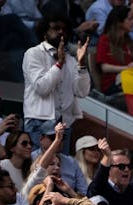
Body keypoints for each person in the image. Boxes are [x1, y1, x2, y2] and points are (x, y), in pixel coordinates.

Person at [22, 16, 90, 147]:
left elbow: (82, 92)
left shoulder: (70, 60)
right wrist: (59, 65)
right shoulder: (34, 53)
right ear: (44, 32)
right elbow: (42, 87)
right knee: (39, 160)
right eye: (56, 28)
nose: (61, 32)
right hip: (39, 121)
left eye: (64, 29)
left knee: (60, 161)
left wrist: (81, 64)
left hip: (64, 123)